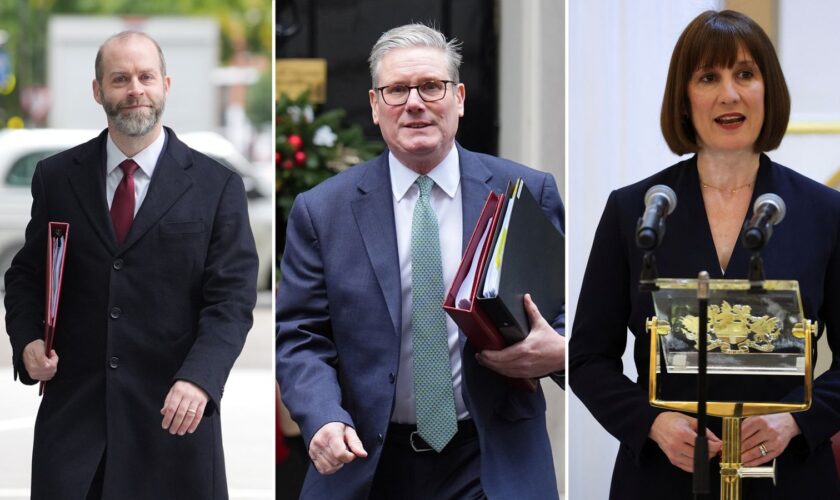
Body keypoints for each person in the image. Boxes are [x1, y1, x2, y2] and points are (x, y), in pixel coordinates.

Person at [276, 23, 565, 499]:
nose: (414, 103)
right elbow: (300, 336)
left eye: (431, 86)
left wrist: (562, 353)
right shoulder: (323, 211)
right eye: (396, 90)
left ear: (460, 98)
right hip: (368, 461)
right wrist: (322, 415)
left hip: (491, 459)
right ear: (374, 105)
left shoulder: (526, 192)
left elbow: (570, 308)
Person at [569, 10, 840, 499]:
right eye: (708, 77)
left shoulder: (827, 213)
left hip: (787, 478)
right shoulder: (634, 210)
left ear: (768, 90)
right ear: (684, 99)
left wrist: (799, 421)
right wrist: (650, 422)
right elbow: (587, 357)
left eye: (745, 74)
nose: (728, 94)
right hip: (662, 477)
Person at [4, 31, 258, 499]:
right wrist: (28, 342)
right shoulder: (57, 177)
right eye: (120, 79)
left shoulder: (216, 185)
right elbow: (25, 277)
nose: (135, 89)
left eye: (145, 77)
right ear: (98, 90)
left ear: (165, 84)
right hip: (75, 435)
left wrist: (200, 379)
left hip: (174, 426)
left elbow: (232, 300)